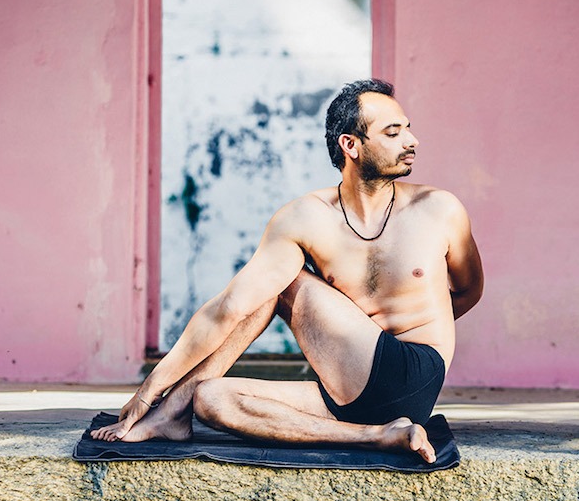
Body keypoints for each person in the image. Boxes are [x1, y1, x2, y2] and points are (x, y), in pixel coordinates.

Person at [91, 79, 483, 463]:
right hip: (347, 387)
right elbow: (227, 308)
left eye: (408, 130)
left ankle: (168, 412)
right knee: (210, 399)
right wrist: (150, 387)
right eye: (393, 133)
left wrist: (406, 329)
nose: (411, 142)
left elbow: (468, 291)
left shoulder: (440, 209)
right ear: (351, 145)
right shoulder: (307, 216)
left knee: (279, 283)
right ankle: (378, 435)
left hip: (413, 373)